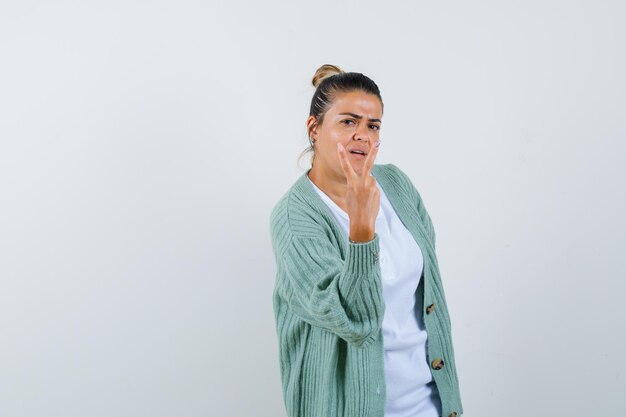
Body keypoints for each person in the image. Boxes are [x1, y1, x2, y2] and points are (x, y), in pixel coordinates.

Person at [269, 64, 464, 417]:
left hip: (429, 404)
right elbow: (355, 322)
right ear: (314, 128)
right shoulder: (294, 218)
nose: (362, 134)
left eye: (372, 125)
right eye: (348, 121)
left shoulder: (396, 185)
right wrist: (361, 230)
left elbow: (428, 289)